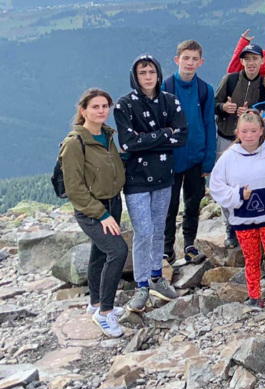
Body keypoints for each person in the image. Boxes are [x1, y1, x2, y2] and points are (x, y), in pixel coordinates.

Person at [114, 54, 187, 312]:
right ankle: (141, 285)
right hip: (136, 180)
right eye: (142, 72)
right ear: (135, 76)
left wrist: (146, 139)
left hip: (164, 178)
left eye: (151, 72)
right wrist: (164, 133)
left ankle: (157, 277)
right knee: (143, 232)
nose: (148, 77)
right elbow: (127, 143)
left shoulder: (170, 101)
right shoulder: (124, 106)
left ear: (158, 73)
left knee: (158, 229)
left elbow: (181, 137)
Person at [61, 88, 128, 337]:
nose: (101, 111)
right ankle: (105, 313)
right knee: (117, 250)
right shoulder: (74, 143)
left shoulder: (107, 136)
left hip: (113, 202)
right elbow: (75, 189)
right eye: (95, 107)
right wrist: (101, 215)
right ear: (83, 110)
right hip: (92, 209)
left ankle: (96, 303)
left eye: (104, 106)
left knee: (99, 253)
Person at [210, 111, 265, 307]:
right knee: (251, 260)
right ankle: (255, 296)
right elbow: (216, 186)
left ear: (262, 131)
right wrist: (237, 195)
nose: (249, 135)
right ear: (237, 132)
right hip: (243, 220)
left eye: (254, 131)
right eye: (244, 131)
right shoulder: (228, 158)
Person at [162, 40, 216, 266]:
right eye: (186, 58)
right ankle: (167, 250)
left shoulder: (205, 90)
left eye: (195, 59)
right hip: (171, 159)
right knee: (169, 206)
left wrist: (208, 161)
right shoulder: (166, 87)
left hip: (196, 157)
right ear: (177, 60)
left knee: (192, 205)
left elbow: (208, 124)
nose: (190, 63)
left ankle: (189, 246)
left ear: (201, 62)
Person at [215, 43, 265, 249]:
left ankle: (250, 223)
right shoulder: (230, 80)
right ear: (242, 61)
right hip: (227, 137)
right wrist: (223, 107)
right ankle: (231, 226)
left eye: (255, 58)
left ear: (262, 61)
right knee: (226, 185)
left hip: (252, 144)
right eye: (247, 58)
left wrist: (253, 115)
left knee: (250, 183)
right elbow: (213, 104)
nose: (251, 62)